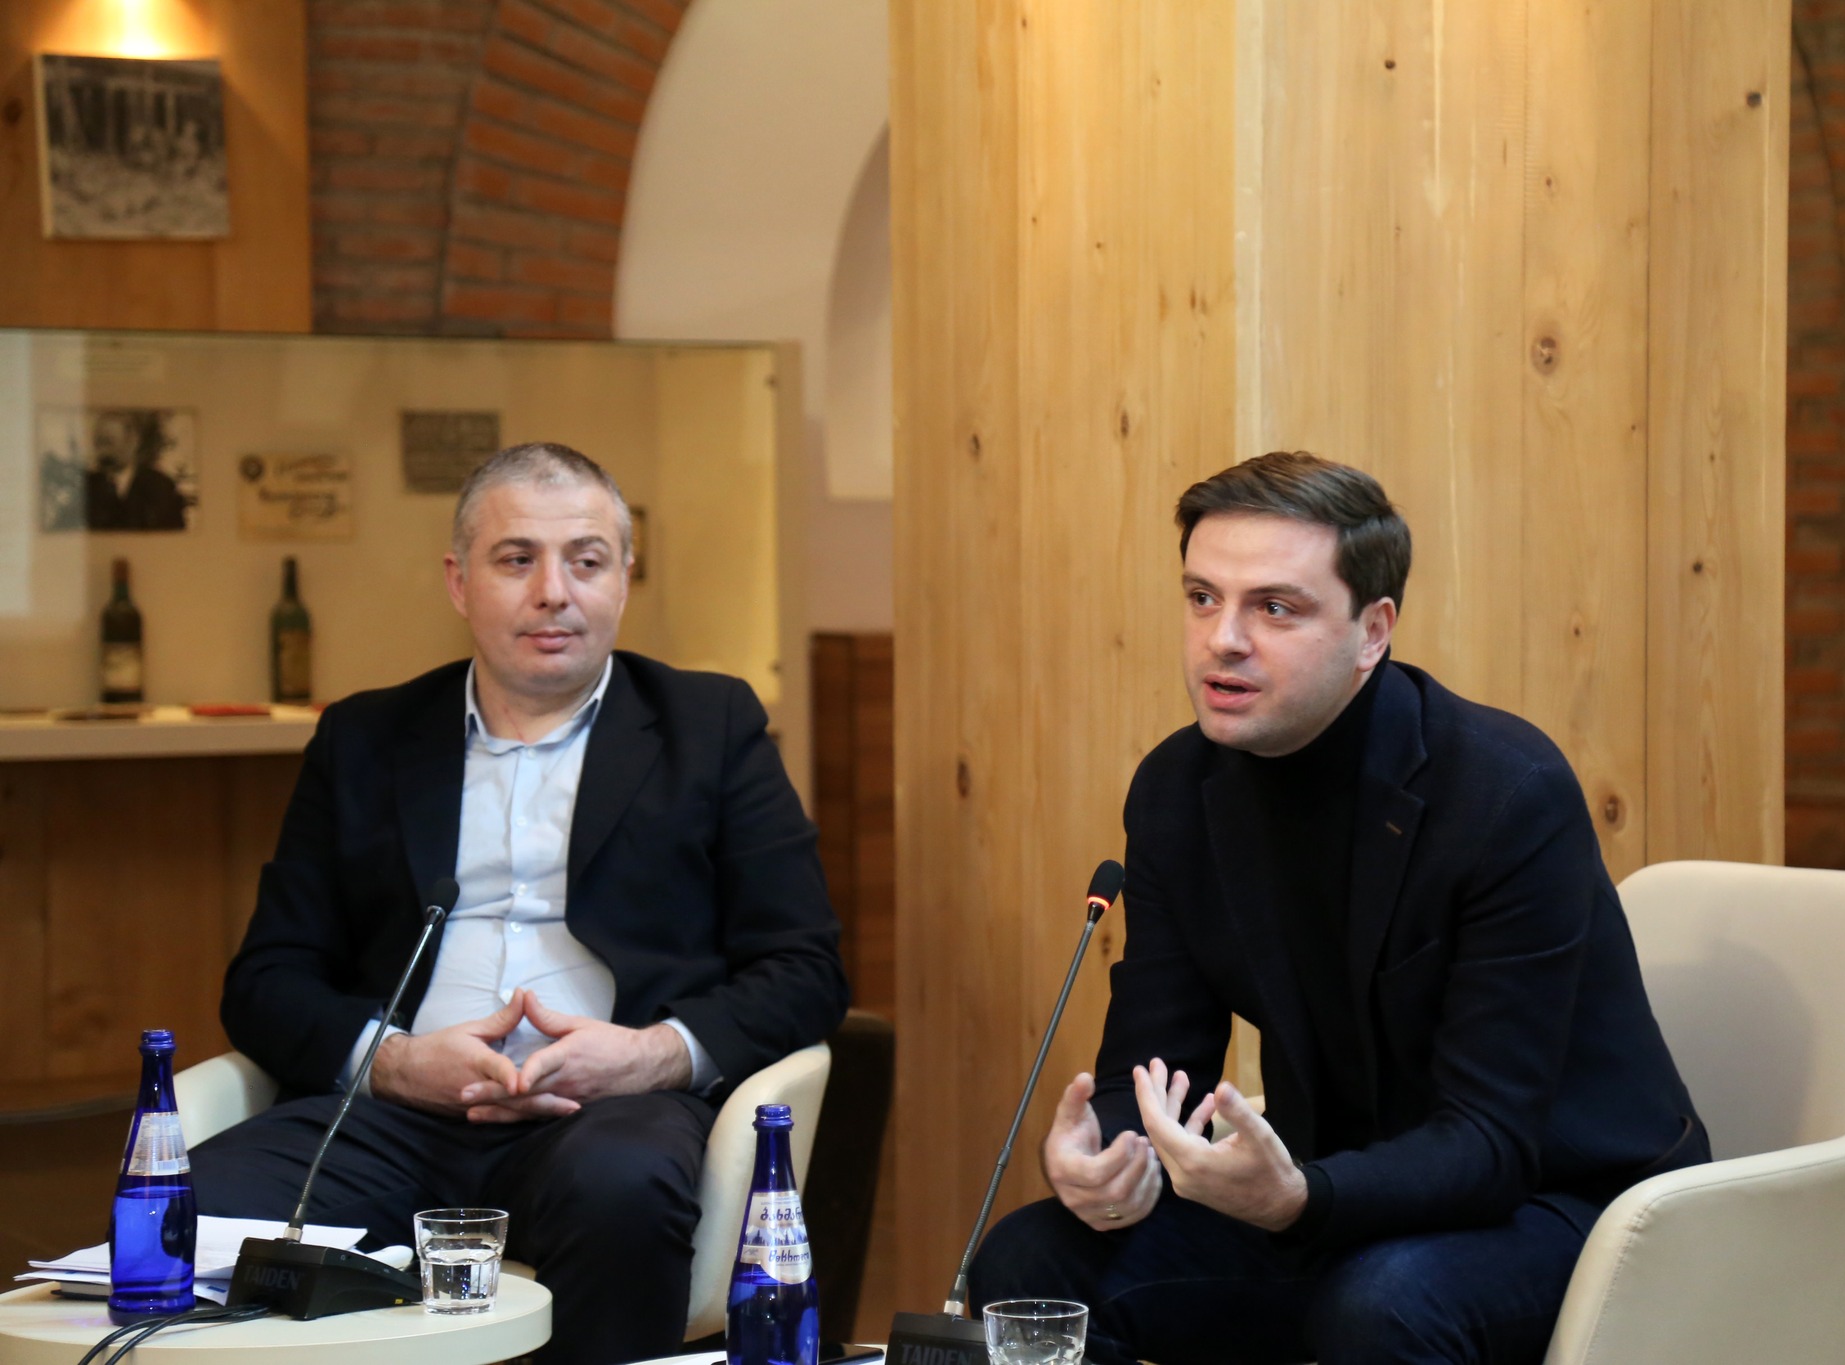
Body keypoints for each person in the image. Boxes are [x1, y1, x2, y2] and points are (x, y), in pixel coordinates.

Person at [968, 452, 1708, 1365]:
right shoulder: (1177, 789)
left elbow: (1489, 1141)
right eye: (1202, 598)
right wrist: (1106, 1154)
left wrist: (1297, 1198)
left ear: (1373, 631)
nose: (1223, 639)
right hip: (1332, 1197)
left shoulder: (1504, 793)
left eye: (1275, 608)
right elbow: (1156, 1068)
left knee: (1381, 1305)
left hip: (1564, 1202)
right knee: (1030, 1262)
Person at [191, 442, 847, 1365]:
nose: (554, 592)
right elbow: (266, 979)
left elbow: (806, 969)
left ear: (624, 577)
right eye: (516, 559)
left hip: (610, 1114)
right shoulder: (366, 737)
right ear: (459, 582)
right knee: (197, 1200)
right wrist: (394, 1062)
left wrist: (651, 1055)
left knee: (623, 1186)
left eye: (587, 560)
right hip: (392, 1114)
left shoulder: (711, 727)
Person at [85, 409, 188, 531]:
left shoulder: (161, 487)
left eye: (109, 442)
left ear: (133, 442)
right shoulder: (85, 487)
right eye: (98, 442)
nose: (102, 451)